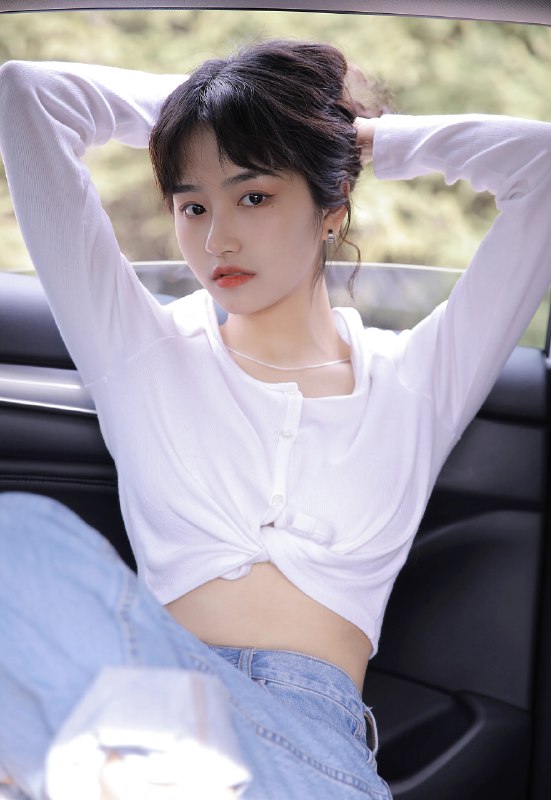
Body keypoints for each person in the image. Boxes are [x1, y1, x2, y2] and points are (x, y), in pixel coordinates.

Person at [0, 37, 550, 800]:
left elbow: (541, 167)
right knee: (18, 540)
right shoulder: (140, 349)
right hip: (153, 696)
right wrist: (220, 115)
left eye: (253, 196)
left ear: (331, 208)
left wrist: (339, 136)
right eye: (192, 205)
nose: (216, 238)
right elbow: (30, 97)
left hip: (308, 750)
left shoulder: (415, 381)